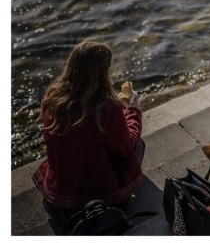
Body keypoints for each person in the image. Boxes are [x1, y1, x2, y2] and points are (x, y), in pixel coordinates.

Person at [31, 40, 145, 226]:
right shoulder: (107, 109)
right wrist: (133, 110)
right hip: (98, 208)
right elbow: (128, 148)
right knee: (137, 143)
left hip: (55, 204)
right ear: (101, 73)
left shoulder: (52, 100)